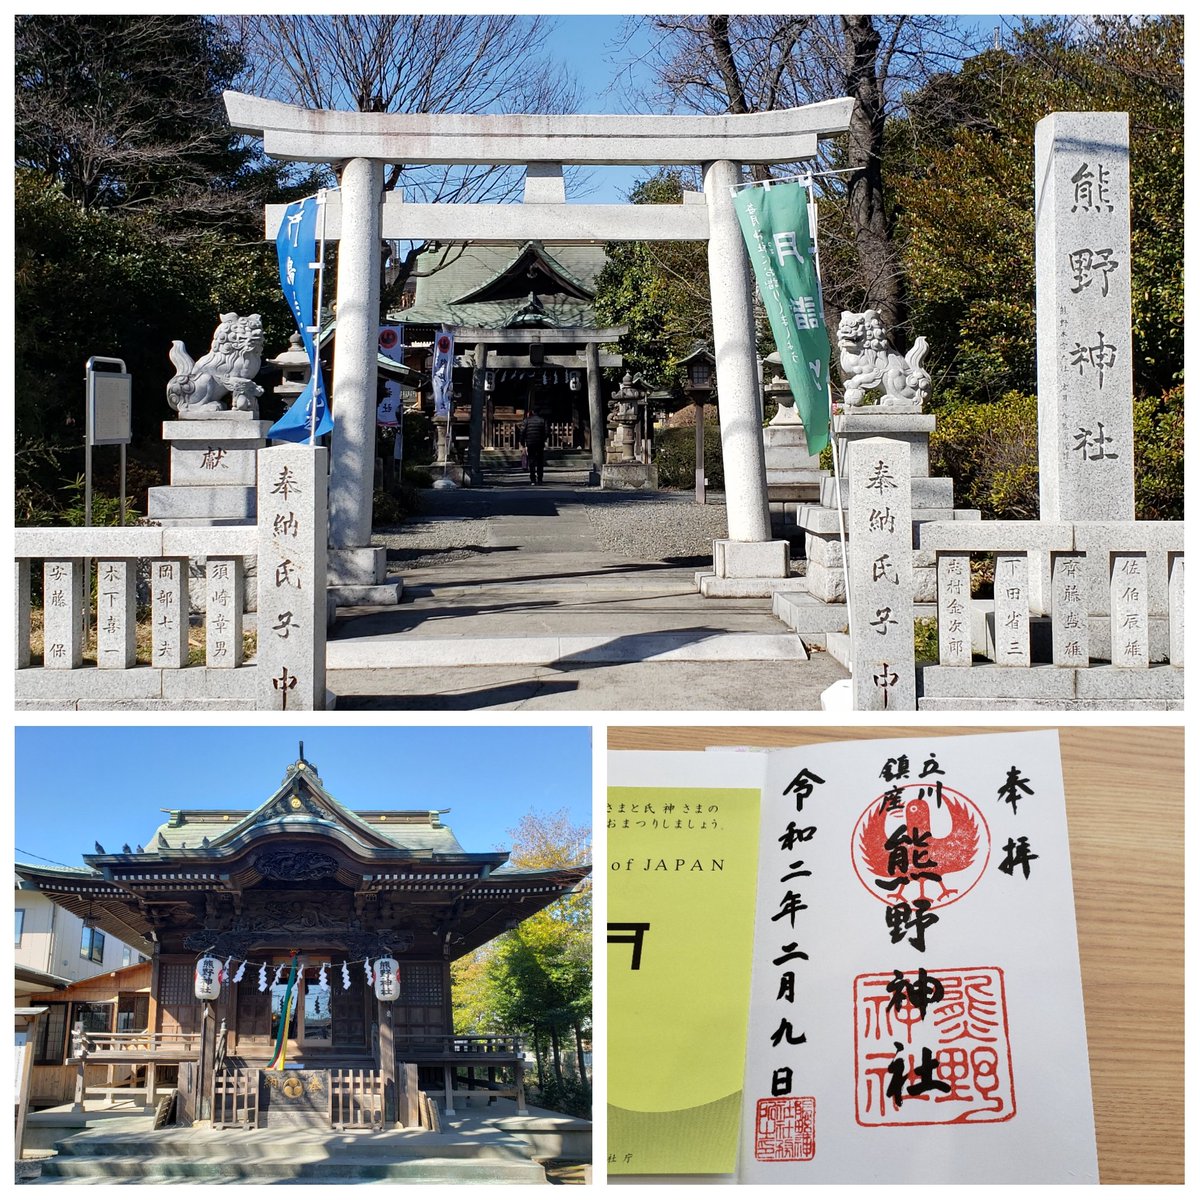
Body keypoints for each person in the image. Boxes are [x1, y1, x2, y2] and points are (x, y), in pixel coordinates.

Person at [519, 404, 548, 485]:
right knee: (540, 461)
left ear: (532, 411)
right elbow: (546, 432)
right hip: (539, 443)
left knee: (531, 461)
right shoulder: (542, 420)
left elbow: (522, 432)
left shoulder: (527, 421)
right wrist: (543, 439)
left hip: (530, 443)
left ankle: (532, 479)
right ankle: (540, 479)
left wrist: (522, 442)